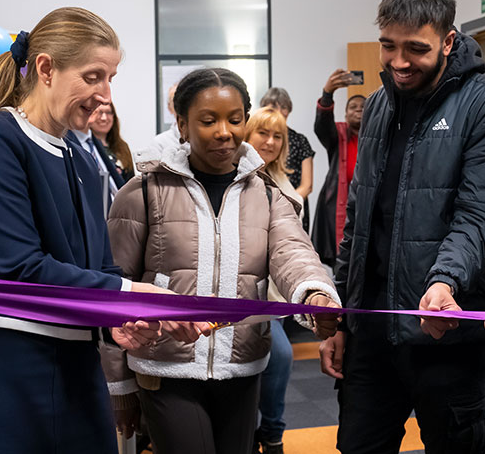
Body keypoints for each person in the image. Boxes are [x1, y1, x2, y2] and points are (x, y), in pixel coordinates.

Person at [0, 7, 179, 454]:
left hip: (76, 375)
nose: (105, 95)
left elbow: (97, 266)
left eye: (111, 78)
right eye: (93, 76)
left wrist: (117, 321)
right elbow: (18, 268)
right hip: (3, 378)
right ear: (45, 68)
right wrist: (129, 293)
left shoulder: (78, 160)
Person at [318, 0, 485, 454]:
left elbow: (481, 215)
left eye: (415, 48)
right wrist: (344, 320)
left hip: (446, 335)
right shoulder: (380, 107)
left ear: (449, 41)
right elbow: (360, 221)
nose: (398, 62)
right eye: (388, 46)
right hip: (372, 334)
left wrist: (444, 281)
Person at [102, 68, 343, 454]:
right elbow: (115, 287)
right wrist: (119, 385)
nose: (224, 132)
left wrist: (315, 294)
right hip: (165, 369)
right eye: (208, 120)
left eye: (234, 119)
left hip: (241, 366)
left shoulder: (266, 192)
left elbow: (293, 252)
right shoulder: (144, 192)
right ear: (182, 124)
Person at [245, 106, 301, 454]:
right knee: (270, 356)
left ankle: (272, 434)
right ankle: (254, 431)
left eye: (277, 135)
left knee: (280, 355)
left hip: (275, 296)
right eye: (262, 133)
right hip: (242, 294)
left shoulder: (285, 184)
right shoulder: (239, 177)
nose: (269, 141)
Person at [312, 70, 365, 265]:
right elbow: (322, 126)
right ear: (345, 113)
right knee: (342, 262)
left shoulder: (378, 137)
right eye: (353, 106)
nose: (358, 109)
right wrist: (328, 94)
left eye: (363, 106)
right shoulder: (338, 134)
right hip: (339, 207)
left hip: (367, 207)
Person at [260, 87, 315, 232]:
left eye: (283, 106)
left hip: (294, 203)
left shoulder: (300, 140)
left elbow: (307, 185)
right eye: (272, 105)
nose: (278, 110)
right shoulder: (255, 138)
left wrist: (287, 204)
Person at [90, 102, 136, 181]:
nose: (104, 118)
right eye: (99, 112)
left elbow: (131, 180)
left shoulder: (122, 147)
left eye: (108, 112)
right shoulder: (86, 146)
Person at [140, 81, 183, 161]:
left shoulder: (202, 137)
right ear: (169, 108)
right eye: (175, 101)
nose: (180, 105)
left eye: (184, 100)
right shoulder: (159, 143)